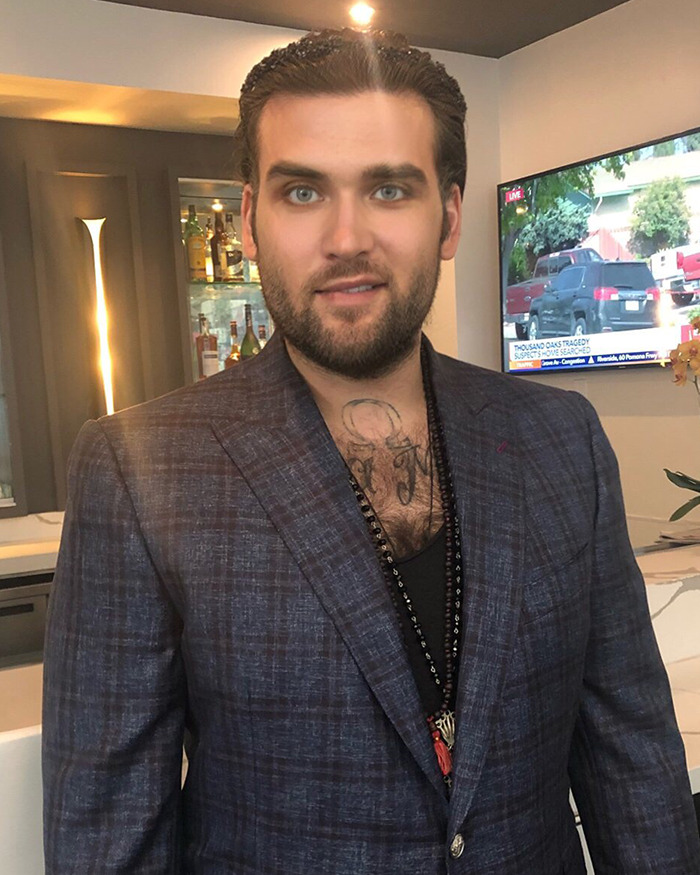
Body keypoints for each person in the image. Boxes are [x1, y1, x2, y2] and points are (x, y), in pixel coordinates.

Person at [42, 28, 700, 874]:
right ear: (249, 219)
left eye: (389, 188)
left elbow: (632, 761)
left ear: (451, 215)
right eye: (303, 192)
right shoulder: (139, 467)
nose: (347, 236)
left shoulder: (560, 438)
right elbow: (107, 837)